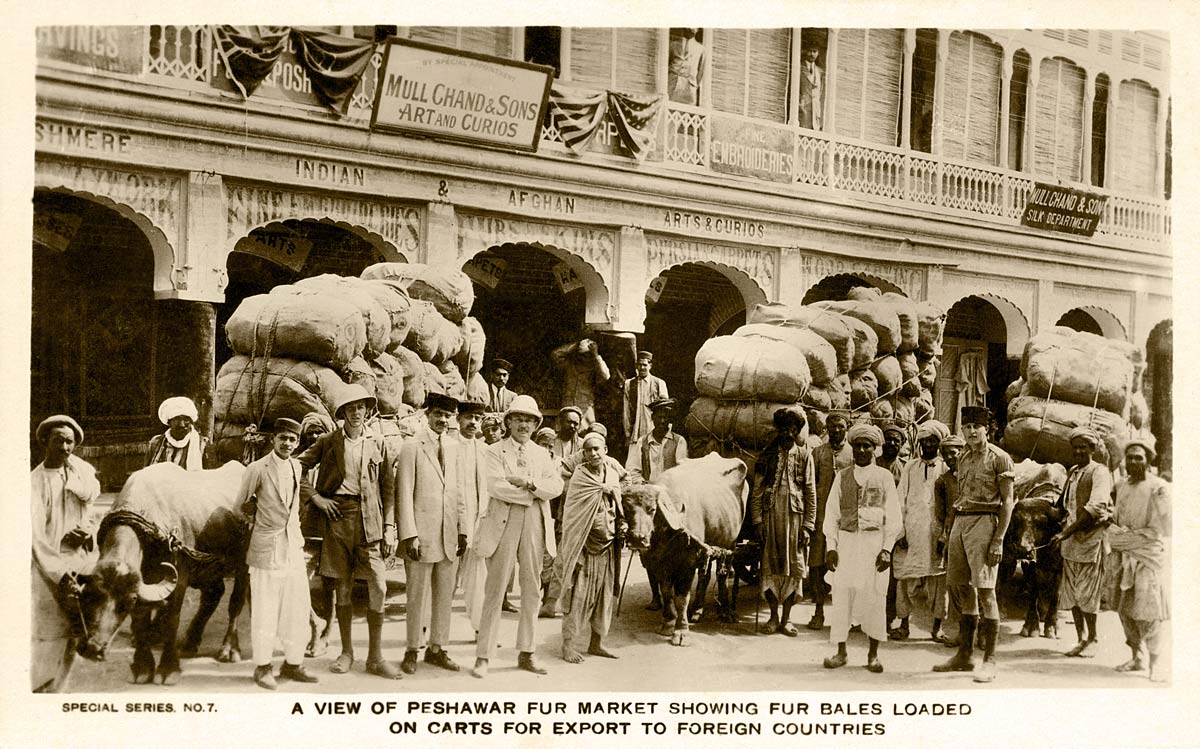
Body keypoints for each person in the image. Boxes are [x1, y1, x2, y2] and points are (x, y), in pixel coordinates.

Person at [297, 384, 401, 679]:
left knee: (378, 586)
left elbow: (388, 490)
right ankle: (346, 652)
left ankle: (376, 657)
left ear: (367, 410)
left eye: (361, 408)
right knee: (342, 586)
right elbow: (296, 467)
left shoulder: (378, 444)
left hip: (371, 520)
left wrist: (390, 527)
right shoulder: (329, 442)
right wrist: (317, 498)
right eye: (350, 409)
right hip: (338, 518)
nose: (356, 414)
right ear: (342, 413)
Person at [471, 394, 564, 679]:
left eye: (529, 420)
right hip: (503, 519)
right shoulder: (494, 451)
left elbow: (556, 486)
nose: (524, 424)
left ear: (536, 424)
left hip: (535, 522)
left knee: (532, 587)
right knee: (496, 587)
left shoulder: (541, 453)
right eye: (518, 419)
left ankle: (527, 651)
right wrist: (532, 493)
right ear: (508, 422)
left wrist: (529, 483)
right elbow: (496, 487)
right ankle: (484, 655)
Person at [933, 405, 1014, 683]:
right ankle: (964, 656)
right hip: (961, 522)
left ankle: (989, 660)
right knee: (961, 587)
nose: (971, 432)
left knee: (986, 592)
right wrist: (949, 532)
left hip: (985, 522)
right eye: (966, 427)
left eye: (976, 427)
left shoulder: (1000, 459)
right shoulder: (963, 457)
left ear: (987, 428)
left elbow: (1008, 503)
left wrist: (998, 540)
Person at [237, 417, 318, 689]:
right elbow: (240, 505)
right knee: (265, 609)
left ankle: (293, 663)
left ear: (297, 444)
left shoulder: (296, 466)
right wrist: (261, 523)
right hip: (266, 547)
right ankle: (263, 667)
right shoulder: (257, 469)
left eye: (293, 440)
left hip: (293, 546)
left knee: (297, 607)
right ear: (273, 439)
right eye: (283, 438)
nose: (287, 444)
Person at [395, 393, 468, 674]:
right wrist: (409, 535)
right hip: (422, 535)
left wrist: (462, 529)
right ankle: (413, 649)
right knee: (417, 595)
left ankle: (438, 648)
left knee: (444, 596)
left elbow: (458, 492)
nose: (442, 420)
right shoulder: (412, 446)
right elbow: (403, 492)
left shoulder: (453, 447)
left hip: (449, 534)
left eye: (448, 416)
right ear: (427, 415)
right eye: (438, 414)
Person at [821, 423, 902, 673]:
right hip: (846, 543)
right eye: (858, 446)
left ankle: (873, 654)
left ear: (875, 449)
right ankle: (841, 652)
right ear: (853, 448)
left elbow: (894, 517)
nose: (862, 450)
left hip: (873, 545)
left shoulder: (884, 477)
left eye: (867, 446)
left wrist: (887, 548)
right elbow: (831, 514)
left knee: (875, 597)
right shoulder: (842, 476)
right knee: (842, 594)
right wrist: (831, 546)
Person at [31, 414, 99, 693]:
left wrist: (87, 531)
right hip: (50, 568)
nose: (64, 447)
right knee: (49, 633)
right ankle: (39, 690)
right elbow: (36, 537)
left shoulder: (79, 474)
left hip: (80, 560)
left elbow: (90, 512)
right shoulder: (35, 482)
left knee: (77, 630)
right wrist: (60, 574)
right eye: (58, 440)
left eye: (69, 442)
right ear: (45, 441)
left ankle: (59, 690)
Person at [555, 432, 625, 663]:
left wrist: (621, 521)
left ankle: (597, 643)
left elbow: (619, 499)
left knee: (603, 598)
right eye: (588, 450)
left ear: (605, 450)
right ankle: (568, 645)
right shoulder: (580, 476)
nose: (593, 453)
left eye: (597, 449)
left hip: (607, 547)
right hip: (584, 549)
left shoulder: (613, 474)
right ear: (583, 454)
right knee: (578, 597)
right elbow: (573, 516)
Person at [1106, 436, 1170, 682]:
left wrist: (1130, 538)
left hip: (1146, 557)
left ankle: (1156, 665)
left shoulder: (1158, 488)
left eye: (1139, 458)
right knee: (1125, 609)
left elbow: (1165, 528)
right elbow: (1113, 522)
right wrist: (1118, 536)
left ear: (1148, 461)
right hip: (1124, 557)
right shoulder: (1120, 486)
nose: (1133, 461)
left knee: (1149, 611)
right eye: (1130, 457)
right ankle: (1137, 657)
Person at [750, 407, 816, 637]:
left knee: (793, 567)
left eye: (793, 430)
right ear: (778, 431)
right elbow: (756, 491)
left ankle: (787, 619)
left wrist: (808, 525)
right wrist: (757, 521)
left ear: (798, 432)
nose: (788, 434)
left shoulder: (805, 456)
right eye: (784, 430)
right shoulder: (767, 456)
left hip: (795, 518)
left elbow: (810, 491)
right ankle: (773, 617)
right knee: (770, 567)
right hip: (770, 516)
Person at [1050, 426, 1114, 658]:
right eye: (1075, 447)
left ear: (1092, 449)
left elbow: (1096, 507)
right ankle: (1080, 639)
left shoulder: (1099, 472)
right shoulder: (1073, 472)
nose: (1078, 451)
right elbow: (1062, 506)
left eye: (1083, 447)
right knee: (1072, 593)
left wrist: (1066, 533)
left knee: (1088, 593)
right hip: (1071, 542)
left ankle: (1093, 637)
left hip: (1090, 540)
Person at [624, 398, 687, 611]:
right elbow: (632, 470)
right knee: (646, 546)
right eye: (659, 417)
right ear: (652, 419)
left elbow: (681, 470)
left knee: (671, 545)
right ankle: (655, 595)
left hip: (669, 498)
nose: (663, 421)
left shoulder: (678, 442)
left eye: (667, 418)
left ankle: (671, 591)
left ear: (671, 421)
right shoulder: (641, 443)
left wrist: (664, 488)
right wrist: (644, 487)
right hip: (647, 499)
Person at [889, 420, 950, 642]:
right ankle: (904, 625)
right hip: (911, 532)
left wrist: (944, 534)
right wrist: (901, 532)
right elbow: (899, 500)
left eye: (933, 441)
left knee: (937, 582)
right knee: (905, 579)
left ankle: (937, 627)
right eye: (925, 441)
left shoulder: (945, 468)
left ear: (939, 443)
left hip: (935, 534)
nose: (928, 445)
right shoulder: (910, 467)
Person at [807, 410, 853, 630]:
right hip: (821, 519)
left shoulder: (855, 454)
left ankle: (847, 615)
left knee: (846, 567)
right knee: (817, 565)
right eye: (832, 426)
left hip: (846, 522)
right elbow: (809, 486)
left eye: (841, 427)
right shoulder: (817, 453)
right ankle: (818, 612)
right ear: (827, 429)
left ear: (847, 429)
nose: (836, 430)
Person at [455, 400, 491, 638]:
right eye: (468, 417)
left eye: (477, 419)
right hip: (452, 523)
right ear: (458, 419)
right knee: (443, 580)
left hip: (477, 522)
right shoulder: (448, 446)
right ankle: (427, 630)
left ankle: (481, 629)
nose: (473, 423)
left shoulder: (485, 450)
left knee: (478, 579)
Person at [932, 434, 966, 646]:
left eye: (953, 453)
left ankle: (979, 633)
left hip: (974, 533)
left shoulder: (973, 475)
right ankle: (962, 632)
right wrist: (943, 537)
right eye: (946, 455)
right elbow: (941, 514)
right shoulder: (942, 481)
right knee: (955, 586)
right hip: (953, 535)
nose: (950, 458)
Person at [551, 339, 611, 428]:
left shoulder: (594, 368)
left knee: (585, 434)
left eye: (587, 355)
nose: (584, 358)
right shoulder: (569, 365)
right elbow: (555, 354)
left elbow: (606, 375)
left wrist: (596, 355)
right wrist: (575, 345)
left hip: (585, 410)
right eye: (581, 355)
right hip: (568, 406)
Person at [146, 396, 207, 469]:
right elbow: (146, 474)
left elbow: (209, 477)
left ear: (191, 421)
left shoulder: (202, 445)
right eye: (177, 419)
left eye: (186, 419)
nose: (182, 424)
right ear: (169, 422)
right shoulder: (156, 443)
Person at [623, 351, 668, 446]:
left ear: (650, 365)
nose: (642, 368)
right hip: (635, 430)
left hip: (653, 427)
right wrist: (627, 434)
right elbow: (626, 410)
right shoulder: (629, 384)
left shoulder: (659, 383)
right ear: (636, 366)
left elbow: (665, 410)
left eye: (645, 365)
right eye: (639, 365)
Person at [667, 28, 704, 105]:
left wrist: (694, 84)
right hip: (672, 85)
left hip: (689, 90)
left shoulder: (701, 49)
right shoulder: (673, 45)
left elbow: (700, 72)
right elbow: (667, 64)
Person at [798, 43, 824, 130]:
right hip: (803, 107)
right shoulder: (799, 67)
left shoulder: (820, 71)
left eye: (814, 51)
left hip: (815, 110)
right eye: (810, 51)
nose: (812, 54)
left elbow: (820, 92)